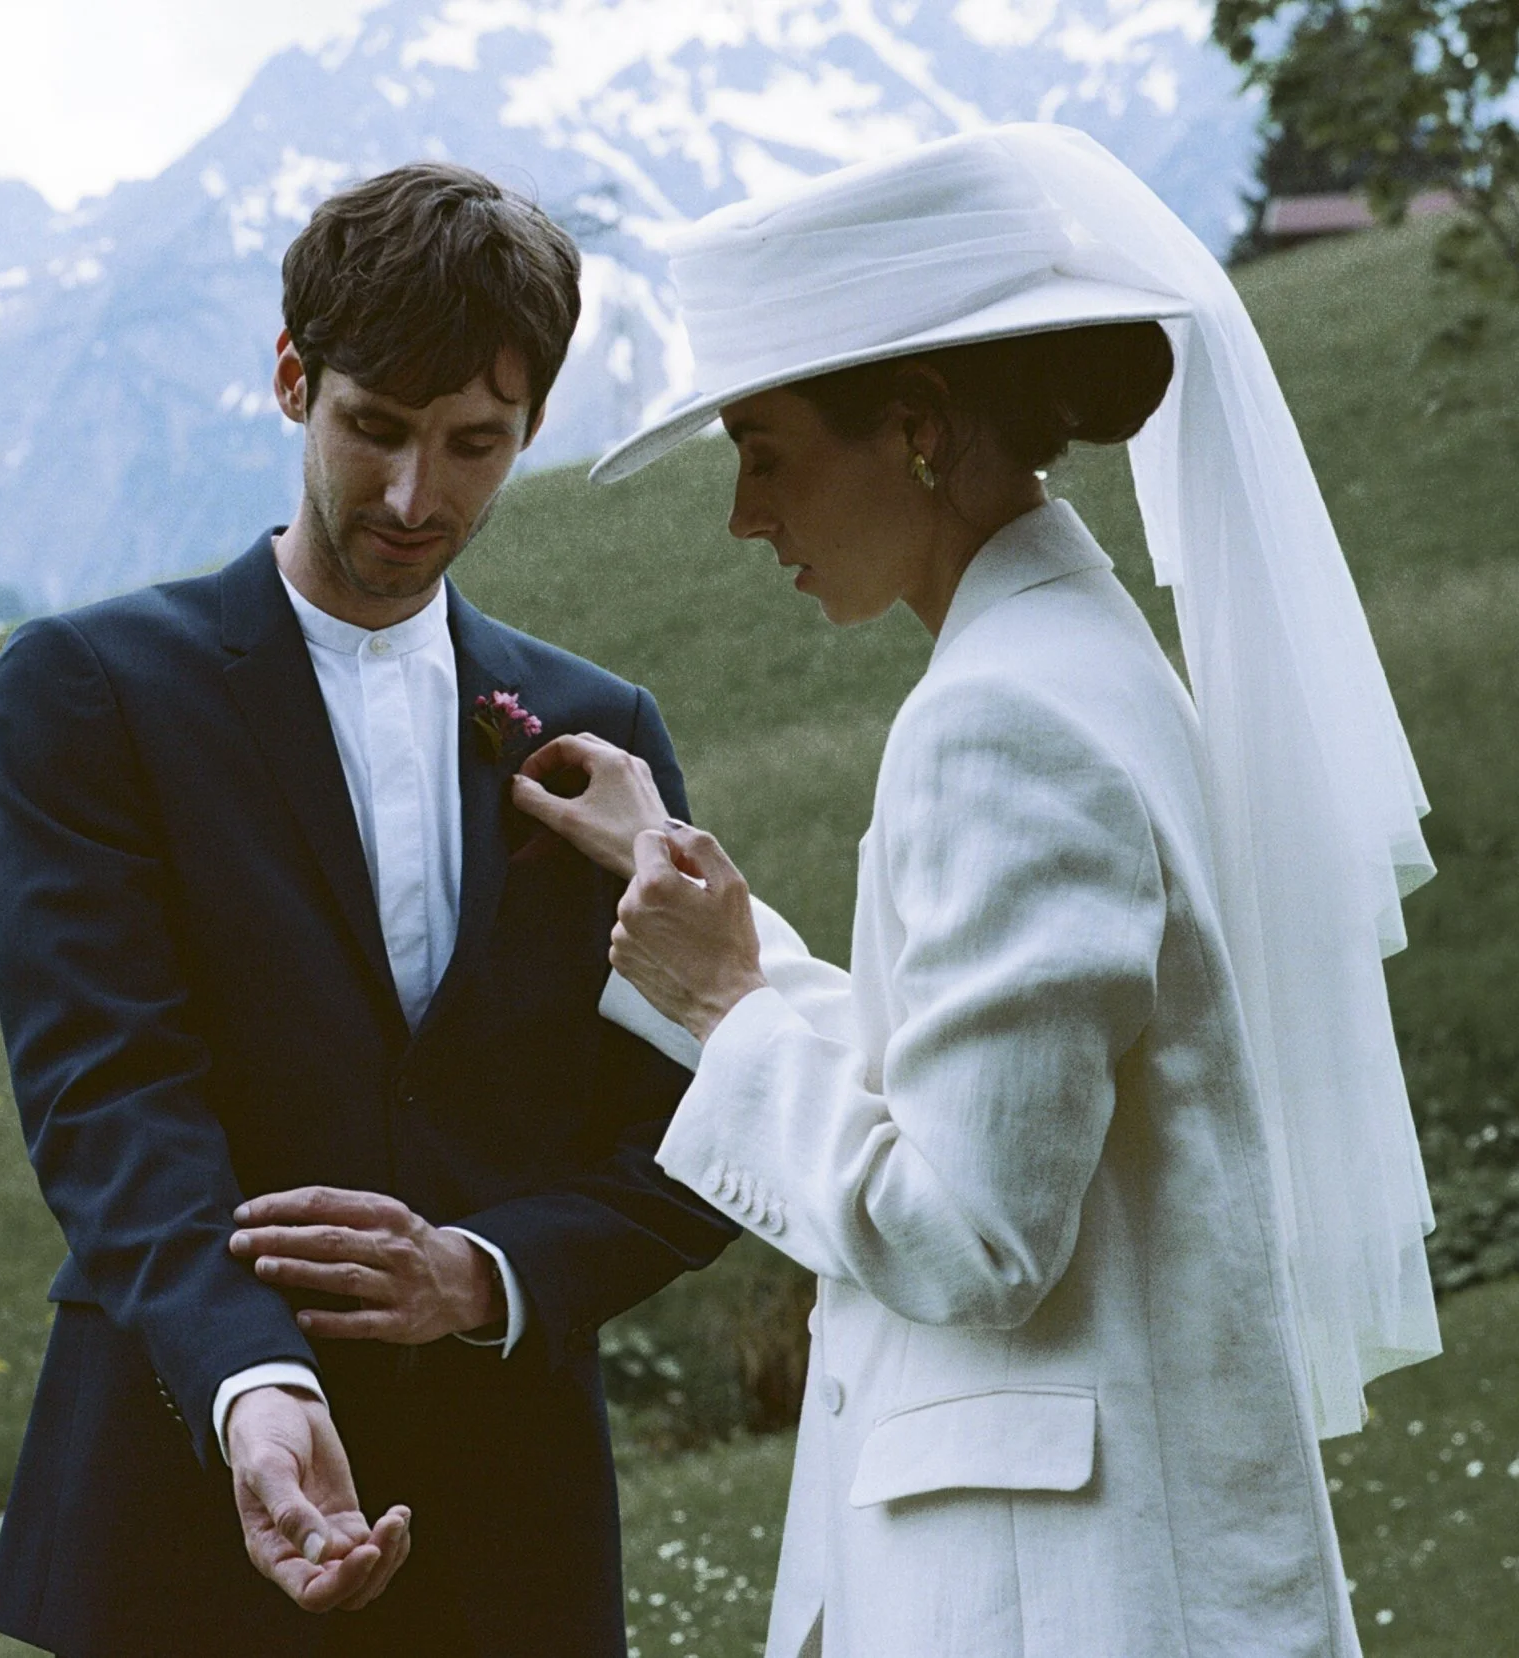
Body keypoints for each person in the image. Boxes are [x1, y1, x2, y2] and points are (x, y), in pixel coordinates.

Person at [512, 125, 1443, 1657]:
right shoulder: (1080, 658)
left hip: (1059, 1597)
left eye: (764, 453)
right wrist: (694, 907)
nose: (745, 517)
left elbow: (969, 1231)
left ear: (919, 428)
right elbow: (950, 1075)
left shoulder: (995, 720)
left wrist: (727, 1006)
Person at [0, 161, 736, 1656]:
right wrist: (252, 1378)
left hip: (508, 1533)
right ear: (290, 379)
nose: (413, 496)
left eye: (474, 444)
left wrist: (487, 1273)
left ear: (529, 431)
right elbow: (105, 1091)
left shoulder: (597, 729)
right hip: (183, 1495)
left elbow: (688, 1131)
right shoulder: (92, 691)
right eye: (374, 428)